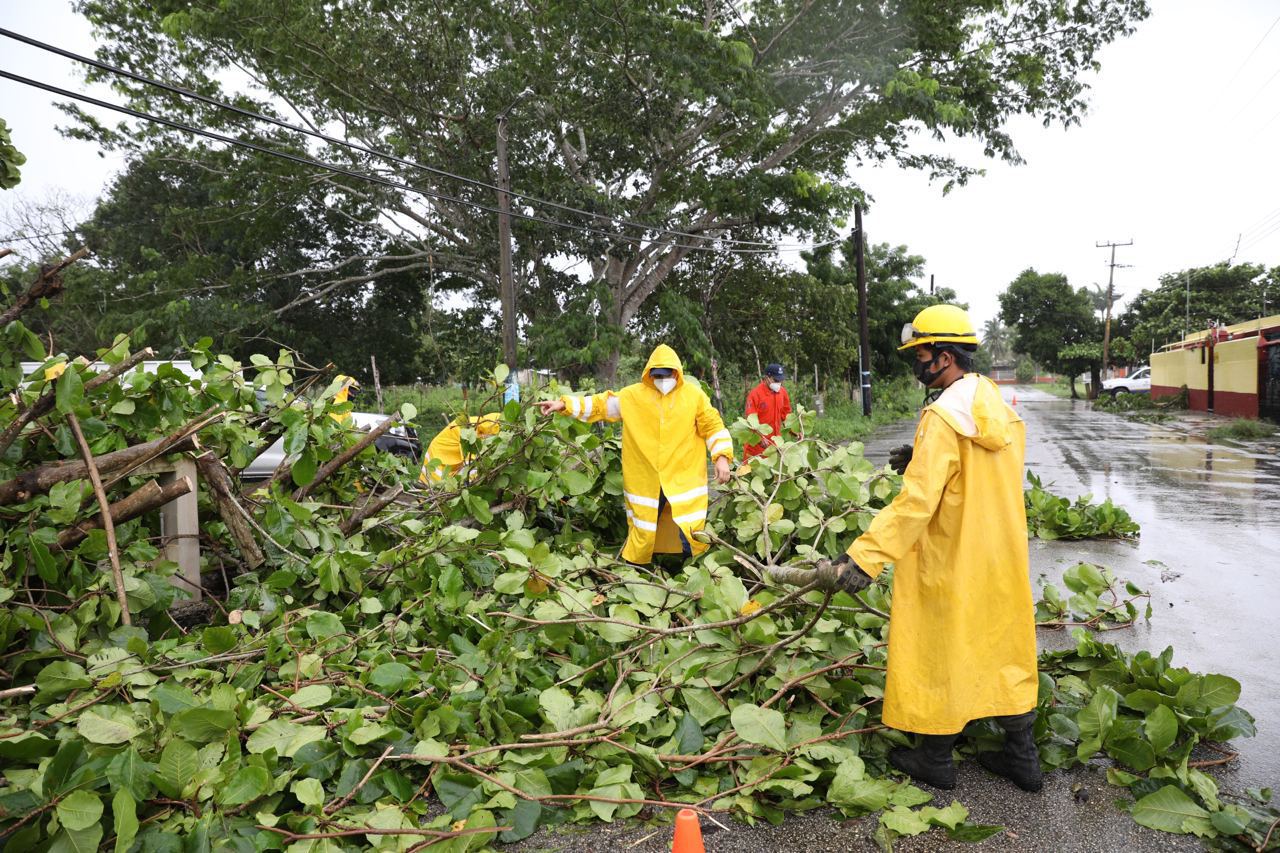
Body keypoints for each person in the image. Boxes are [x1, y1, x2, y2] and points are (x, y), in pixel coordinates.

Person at [814, 304, 1040, 793]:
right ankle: (1024, 760)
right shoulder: (995, 405)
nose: (916, 363)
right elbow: (985, 473)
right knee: (1003, 648)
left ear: (943, 356)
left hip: (951, 555)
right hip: (999, 554)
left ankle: (935, 761)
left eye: (920, 353)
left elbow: (917, 503)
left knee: (941, 648)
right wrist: (923, 458)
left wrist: (864, 557)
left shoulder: (942, 417)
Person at [537, 345, 733, 565]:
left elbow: (713, 427)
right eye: (657, 374)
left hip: (683, 477)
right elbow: (599, 405)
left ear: (676, 372)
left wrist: (722, 457)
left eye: (667, 373)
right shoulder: (632, 397)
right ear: (649, 373)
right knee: (643, 528)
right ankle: (637, 573)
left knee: (689, 528)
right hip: (646, 480)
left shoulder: (694, 397)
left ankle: (693, 572)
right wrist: (563, 403)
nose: (662, 378)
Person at [420, 414, 502, 483]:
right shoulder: (471, 431)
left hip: (444, 454)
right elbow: (470, 463)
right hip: (439, 455)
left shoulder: (479, 423)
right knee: (435, 485)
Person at [743, 363, 793, 458]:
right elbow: (750, 421)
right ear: (767, 378)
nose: (779, 383)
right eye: (776, 380)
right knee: (752, 471)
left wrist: (795, 431)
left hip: (774, 447)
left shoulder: (782, 393)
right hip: (755, 448)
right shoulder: (755, 395)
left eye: (781, 380)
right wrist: (759, 437)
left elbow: (786, 415)